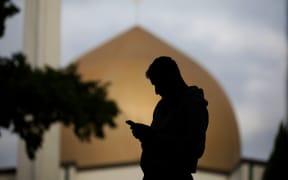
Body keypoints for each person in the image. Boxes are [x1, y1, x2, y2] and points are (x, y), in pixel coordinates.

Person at [126, 56, 209, 180]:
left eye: (157, 84)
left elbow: (194, 148)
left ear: (170, 78)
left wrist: (151, 136)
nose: (156, 91)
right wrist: (146, 136)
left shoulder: (193, 105)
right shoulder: (162, 106)